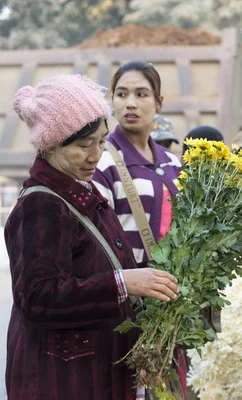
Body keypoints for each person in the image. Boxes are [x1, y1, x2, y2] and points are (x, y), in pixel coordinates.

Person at [4, 74, 179, 400]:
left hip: (92, 377)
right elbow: (37, 297)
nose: (96, 155)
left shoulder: (80, 194)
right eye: (85, 146)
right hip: (60, 382)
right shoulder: (42, 205)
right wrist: (123, 283)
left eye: (101, 142)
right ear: (51, 145)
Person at [92, 61, 187, 397]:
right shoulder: (100, 162)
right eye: (121, 94)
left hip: (169, 308)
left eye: (141, 94)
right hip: (123, 309)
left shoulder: (175, 164)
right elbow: (96, 241)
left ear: (158, 103)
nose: (130, 103)